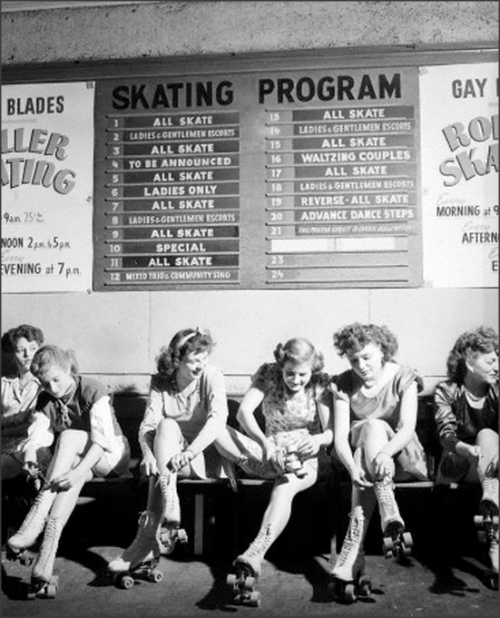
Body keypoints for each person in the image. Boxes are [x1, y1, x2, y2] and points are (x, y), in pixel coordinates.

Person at [213, 337, 333, 600]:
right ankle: (243, 465)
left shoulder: (321, 383)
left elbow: (331, 433)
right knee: (215, 429)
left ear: (312, 370)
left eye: (303, 374)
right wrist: (264, 443)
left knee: (284, 488)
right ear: (281, 365)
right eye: (290, 373)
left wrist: (316, 440)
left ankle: (256, 551)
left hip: (305, 457)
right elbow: (244, 413)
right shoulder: (268, 374)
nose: (296, 379)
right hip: (268, 452)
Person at [6, 345, 130, 596]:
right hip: (80, 460)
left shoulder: (92, 389)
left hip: (112, 456)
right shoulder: (46, 399)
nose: (52, 388)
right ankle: (46, 556)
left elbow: (102, 442)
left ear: (69, 370)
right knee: (70, 472)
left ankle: (35, 518)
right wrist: (31, 456)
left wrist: (75, 471)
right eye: (45, 383)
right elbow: (40, 434)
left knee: (71, 438)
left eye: (56, 379)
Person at [108, 327, 230, 576]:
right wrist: (148, 454)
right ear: (176, 361)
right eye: (194, 361)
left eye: (204, 359)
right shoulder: (161, 381)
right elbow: (148, 425)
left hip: (204, 456)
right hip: (171, 461)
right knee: (165, 426)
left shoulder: (212, 376)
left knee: (160, 472)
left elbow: (218, 420)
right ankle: (167, 505)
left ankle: (144, 543)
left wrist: (190, 452)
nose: (201, 366)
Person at [328, 322, 428, 602]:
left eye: (367, 357)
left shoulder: (404, 377)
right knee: (365, 440)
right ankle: (387, 513)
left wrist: (384, 453)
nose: (360, 365)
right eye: (353, 359)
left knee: (373, 428)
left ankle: (352, 555)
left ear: (383, 351)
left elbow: (407, 428)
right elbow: (339, 439)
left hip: (400, 456)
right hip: (359, 461)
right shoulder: (344, 383)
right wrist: (352, 467)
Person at [433, 326, 498, 587]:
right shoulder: (447, 390)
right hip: (458, 463)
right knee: (485, 436)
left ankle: (494, 523)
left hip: (493, 465)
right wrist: (467, 450)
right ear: (470, 362)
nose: (498, 365)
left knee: (488, 436)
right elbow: (445, 436)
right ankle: (495, 543)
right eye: (491, 360)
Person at [1, 324, 50, 481]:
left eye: (33, 348)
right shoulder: (4, 384)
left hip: (32, 446)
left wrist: (5, 430)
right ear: (11, 355)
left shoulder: (48, 384)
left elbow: (37, 425)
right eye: (20, 350)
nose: (28, 354)